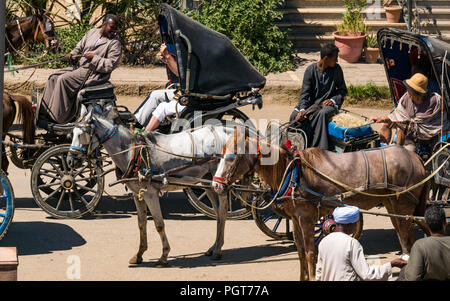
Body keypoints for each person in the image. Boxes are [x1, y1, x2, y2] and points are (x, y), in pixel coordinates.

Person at [40, 14, 122, 124]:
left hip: (94, 73)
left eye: (115, 28)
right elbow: (79, 47)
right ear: (104, 24)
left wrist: (95, 58)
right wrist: (72, 54)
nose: (114, 30)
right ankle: (44, 114)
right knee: (53, 77)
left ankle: (58, 118)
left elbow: (111, 64)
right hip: (80, 68)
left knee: (63, 80)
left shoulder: (114, 43)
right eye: (112, 27)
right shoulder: (92, 32)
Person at [316, 206, 407, 281]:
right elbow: (367, 275)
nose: (356, 226)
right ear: (349, 224)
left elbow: (319, 274)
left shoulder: (324, 242)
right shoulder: (351, 243)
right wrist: (391, 264)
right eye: (355, 223)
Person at [289, 43, 348, 150]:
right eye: (335, 58)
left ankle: (318, 148)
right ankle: (297, 145)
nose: (337, 61)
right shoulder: (310, 70)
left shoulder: (337, 69)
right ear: (326, 58)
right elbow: (305, 93)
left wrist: (333, 100)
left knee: (322, 114)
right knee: (295, 115)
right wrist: (302, 109)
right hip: (311, 105)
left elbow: (342, 90)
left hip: (327, 106)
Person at [370, 73, 444, 152]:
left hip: (425, 137)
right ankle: (384, 149)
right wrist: (381, 119)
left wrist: (407, 123)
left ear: (416, 91)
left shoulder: (433, 100)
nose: (407, 90)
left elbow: (428, 122)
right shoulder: (407, 97)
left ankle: (399, 151)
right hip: (409, 133)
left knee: (403, 127)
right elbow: (398, 114)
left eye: (410, 88)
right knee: (387, 124)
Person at [133, 43, 185, 132]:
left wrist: (168, 56)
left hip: (189, 94)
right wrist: (167, 61)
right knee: (155, 95)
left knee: (162, 107)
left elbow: (181, 74)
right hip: (182, 91)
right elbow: (178, 74)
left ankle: (142, 135)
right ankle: (135, 124)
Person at [399, 205, 450, 281]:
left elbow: (412, 278)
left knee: (404, 271)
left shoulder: (420, 245)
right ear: (445, 223)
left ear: (427, 224)